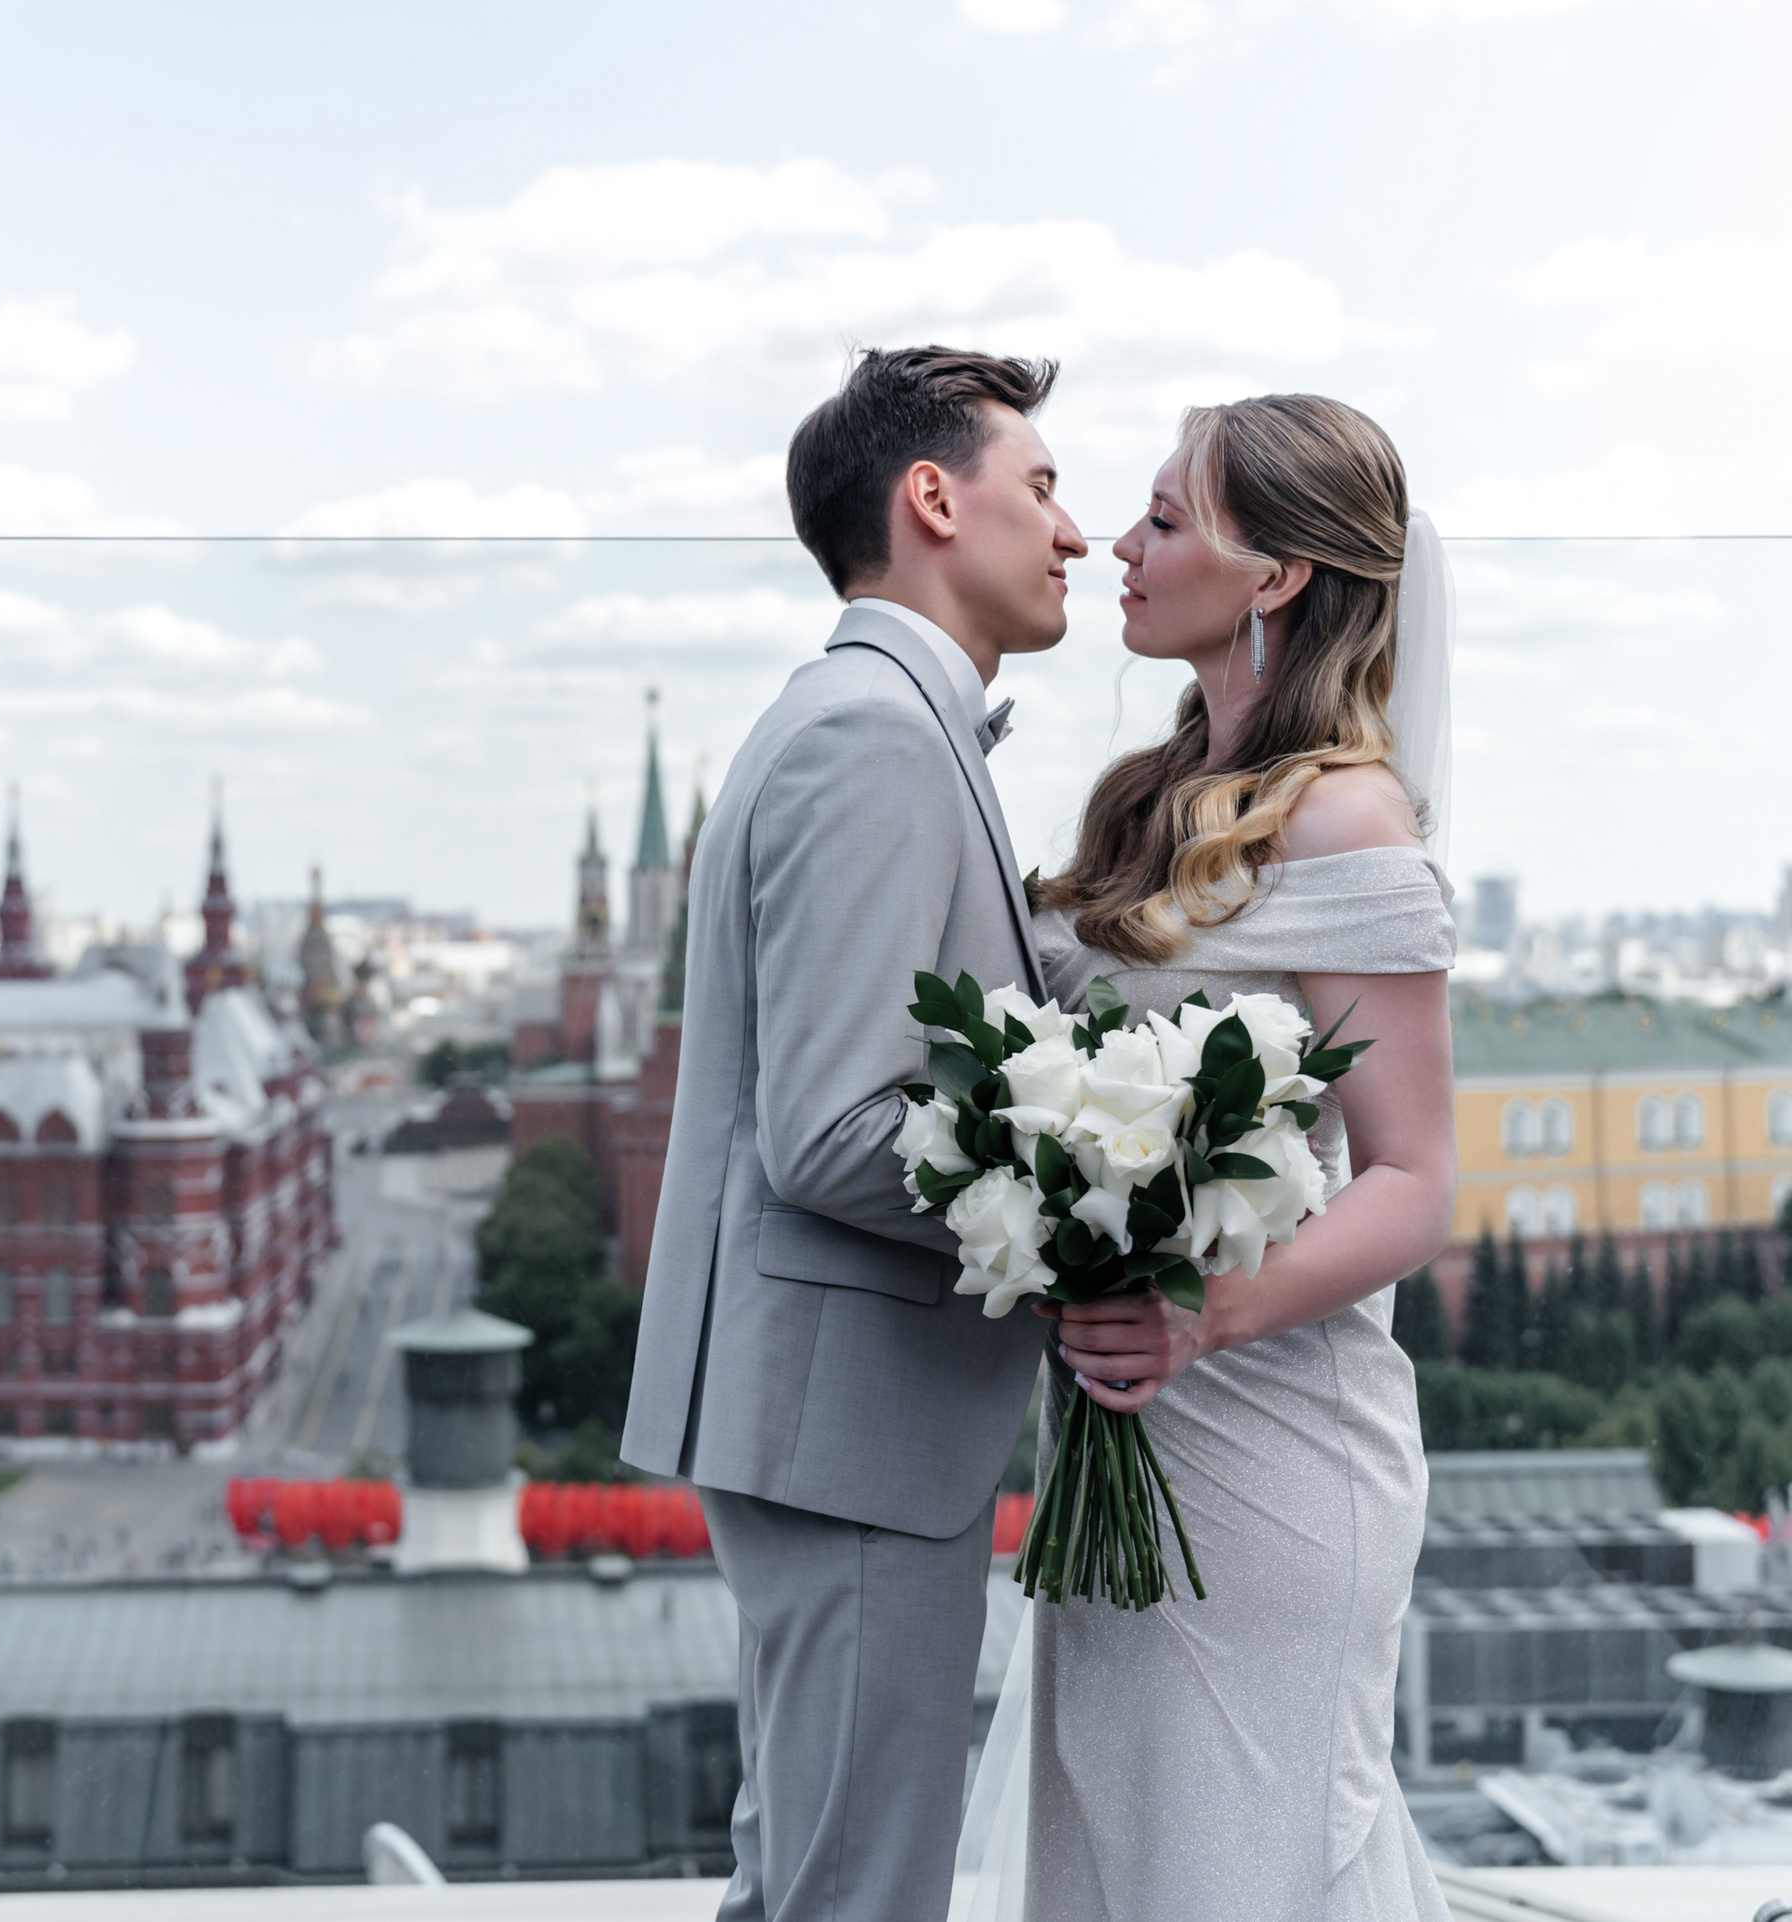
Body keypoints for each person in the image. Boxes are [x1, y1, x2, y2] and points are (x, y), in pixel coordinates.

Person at [971, 393, 1459, 1921]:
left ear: (1276, 576)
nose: (1118, 541)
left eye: (1166, 517)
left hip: (1273, 1455)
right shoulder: (1146, 805)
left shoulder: (1348, 822)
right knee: (1119, 1850)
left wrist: (1207, 1312)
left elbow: (1415, 1178)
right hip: (1119, 1434)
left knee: (1236, 1862)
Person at [620, 344, 1085, 1920]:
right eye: (1043, 486)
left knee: (812, 1876)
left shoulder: (879, 721)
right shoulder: (872, 734)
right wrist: (1086, 1216)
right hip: (853, 1430)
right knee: (858, 1892)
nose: (1074, 531)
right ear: (933, 499)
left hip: (834, 1422)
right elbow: (829, 1128)